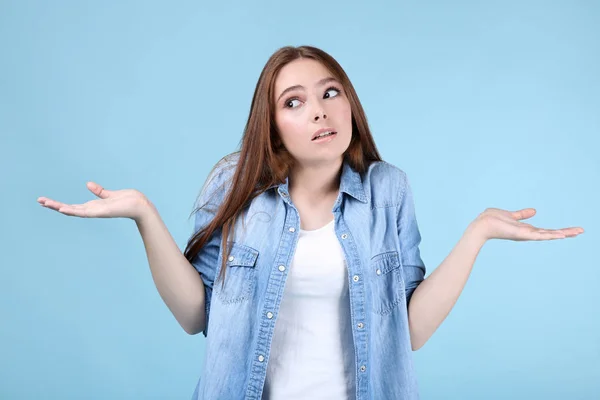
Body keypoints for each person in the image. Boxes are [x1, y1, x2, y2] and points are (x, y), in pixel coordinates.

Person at [38, 45, 584, 400]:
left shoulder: (388, 189)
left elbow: (410, 330)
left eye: (329, 93)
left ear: (349, 103)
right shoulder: (234, 187)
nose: (319, 111)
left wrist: (477, 234)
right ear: (273, 127)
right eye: (294, 102)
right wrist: (143, 215)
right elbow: (194, 315)